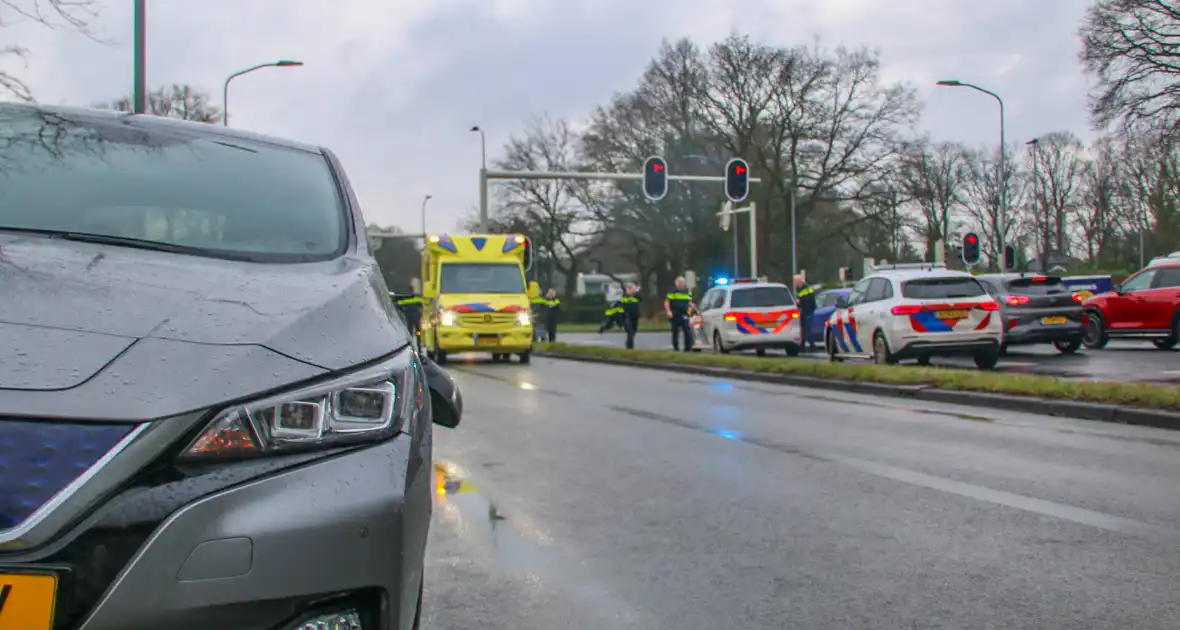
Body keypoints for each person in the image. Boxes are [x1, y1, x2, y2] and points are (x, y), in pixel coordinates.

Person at [664, 277, 696, 352]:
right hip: (675, 314)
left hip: (684, 314)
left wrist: (695, 309)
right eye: (680, 283)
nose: (681, 285)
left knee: (687, 331)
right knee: (675, 332)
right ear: (676, 284)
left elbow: (689, 302)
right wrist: (668, 311)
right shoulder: (672, 292)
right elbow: (667, 302)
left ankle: (687, 349)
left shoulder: (685, 293)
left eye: (683, 283)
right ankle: (676, 348)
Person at [394, 283, 425, 349]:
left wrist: (403, 310)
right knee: (417, 332)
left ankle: (412, 347)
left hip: (410, 318)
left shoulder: (405, 299)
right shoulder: (416, 298)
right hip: (416, 318)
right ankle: (418, 347)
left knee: (411, 333)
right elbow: (423, 304)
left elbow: (398, 305)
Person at [794, 274, 819, 351]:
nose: (795, 283)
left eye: (796, 281)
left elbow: (810, 299)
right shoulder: (798, 288)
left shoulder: (808, 288)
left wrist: (800, 301)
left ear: (800, 281)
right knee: (802, 328)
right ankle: (802, 345)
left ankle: (812, 346)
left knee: (807, 328)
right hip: (802, 310)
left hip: (808, 310)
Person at [619, 283, 643, 349]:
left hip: (634, 316)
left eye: (634, 289)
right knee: (630, 331)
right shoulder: (625, 297)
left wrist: (637, 292)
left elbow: (641, 298)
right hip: (627, 316)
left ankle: (628, 343)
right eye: (633, 288)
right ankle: (630, 347)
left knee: (634, 331)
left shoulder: (636, 296)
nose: (634, 290)